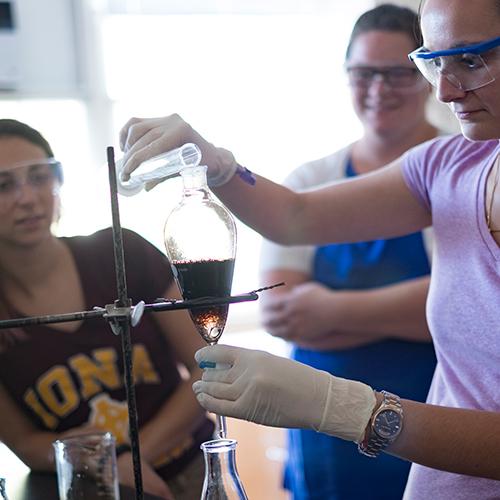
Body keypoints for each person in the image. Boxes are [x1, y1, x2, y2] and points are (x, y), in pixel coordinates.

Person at [118, 0, 500, 497]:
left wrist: (346, 407)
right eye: (434, 63)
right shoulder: (451, 164)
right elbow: (296, 216)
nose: (446, 92)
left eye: (471, 62)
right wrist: (220, 167)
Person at [259, 5, 437, 499]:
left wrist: (330, 309)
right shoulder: (309, 182)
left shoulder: (462, 173)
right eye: (364, 73)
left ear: (427, 74)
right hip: (323, 430)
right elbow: (282, 314)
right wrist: (411, 311)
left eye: (398, 73)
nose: (379, 89)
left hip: (435, 421)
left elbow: (467, 309)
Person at [0, 119, 215, 500]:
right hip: (86, 488)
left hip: (192, 473)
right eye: (4, 185)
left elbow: (207, 367)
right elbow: (23, 442)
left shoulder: (121, 253)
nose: (27, 198)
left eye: (39, 177)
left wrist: (132, 459)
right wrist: (103, 465)